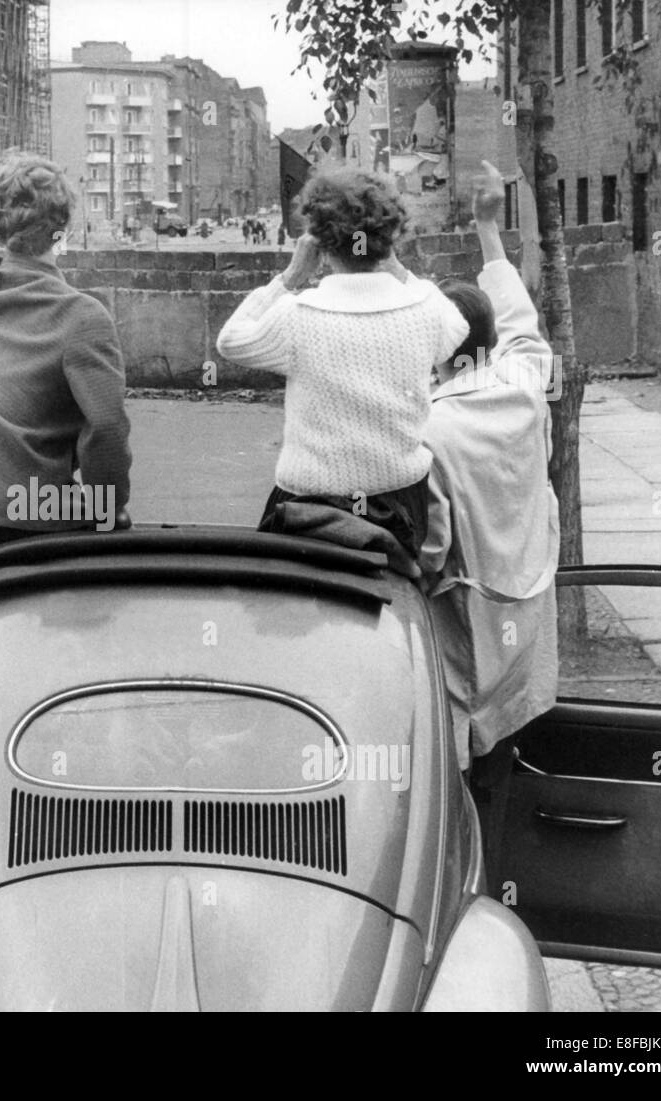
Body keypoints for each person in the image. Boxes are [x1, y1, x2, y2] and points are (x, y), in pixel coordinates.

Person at [215, 166, 469, 562]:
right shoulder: (425, 310)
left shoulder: (297, 314)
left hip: (308, 503)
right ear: (390, 238)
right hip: (399, 500)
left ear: (318, 239)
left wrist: (291, 276)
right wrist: (398, 269)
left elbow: (231, 341)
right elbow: (458, 326)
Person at [0, 56, 132, 554]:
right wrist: (110, 505)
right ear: (62, 230)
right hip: (33, 517)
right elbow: (105, 429)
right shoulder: (83, 317)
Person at [420, 161, 559, 872]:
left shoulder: (432, 433)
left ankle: (459, 905)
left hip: (463, 640)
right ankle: (501, 895)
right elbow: (524, 326)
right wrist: (487, 229)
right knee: (502, 773)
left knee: (450, 798)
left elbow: (433, 546)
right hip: (523, 626)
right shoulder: (523, 385)